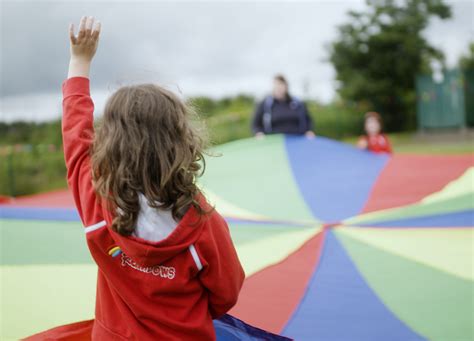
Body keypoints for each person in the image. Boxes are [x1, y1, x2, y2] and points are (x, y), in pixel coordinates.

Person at [60, 16, 245, 340]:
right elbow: (225, 294)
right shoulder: (203, 221)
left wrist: (79, 62)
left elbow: (76, 138)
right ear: (180, 139)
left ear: (111, 144)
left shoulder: (96, 199)